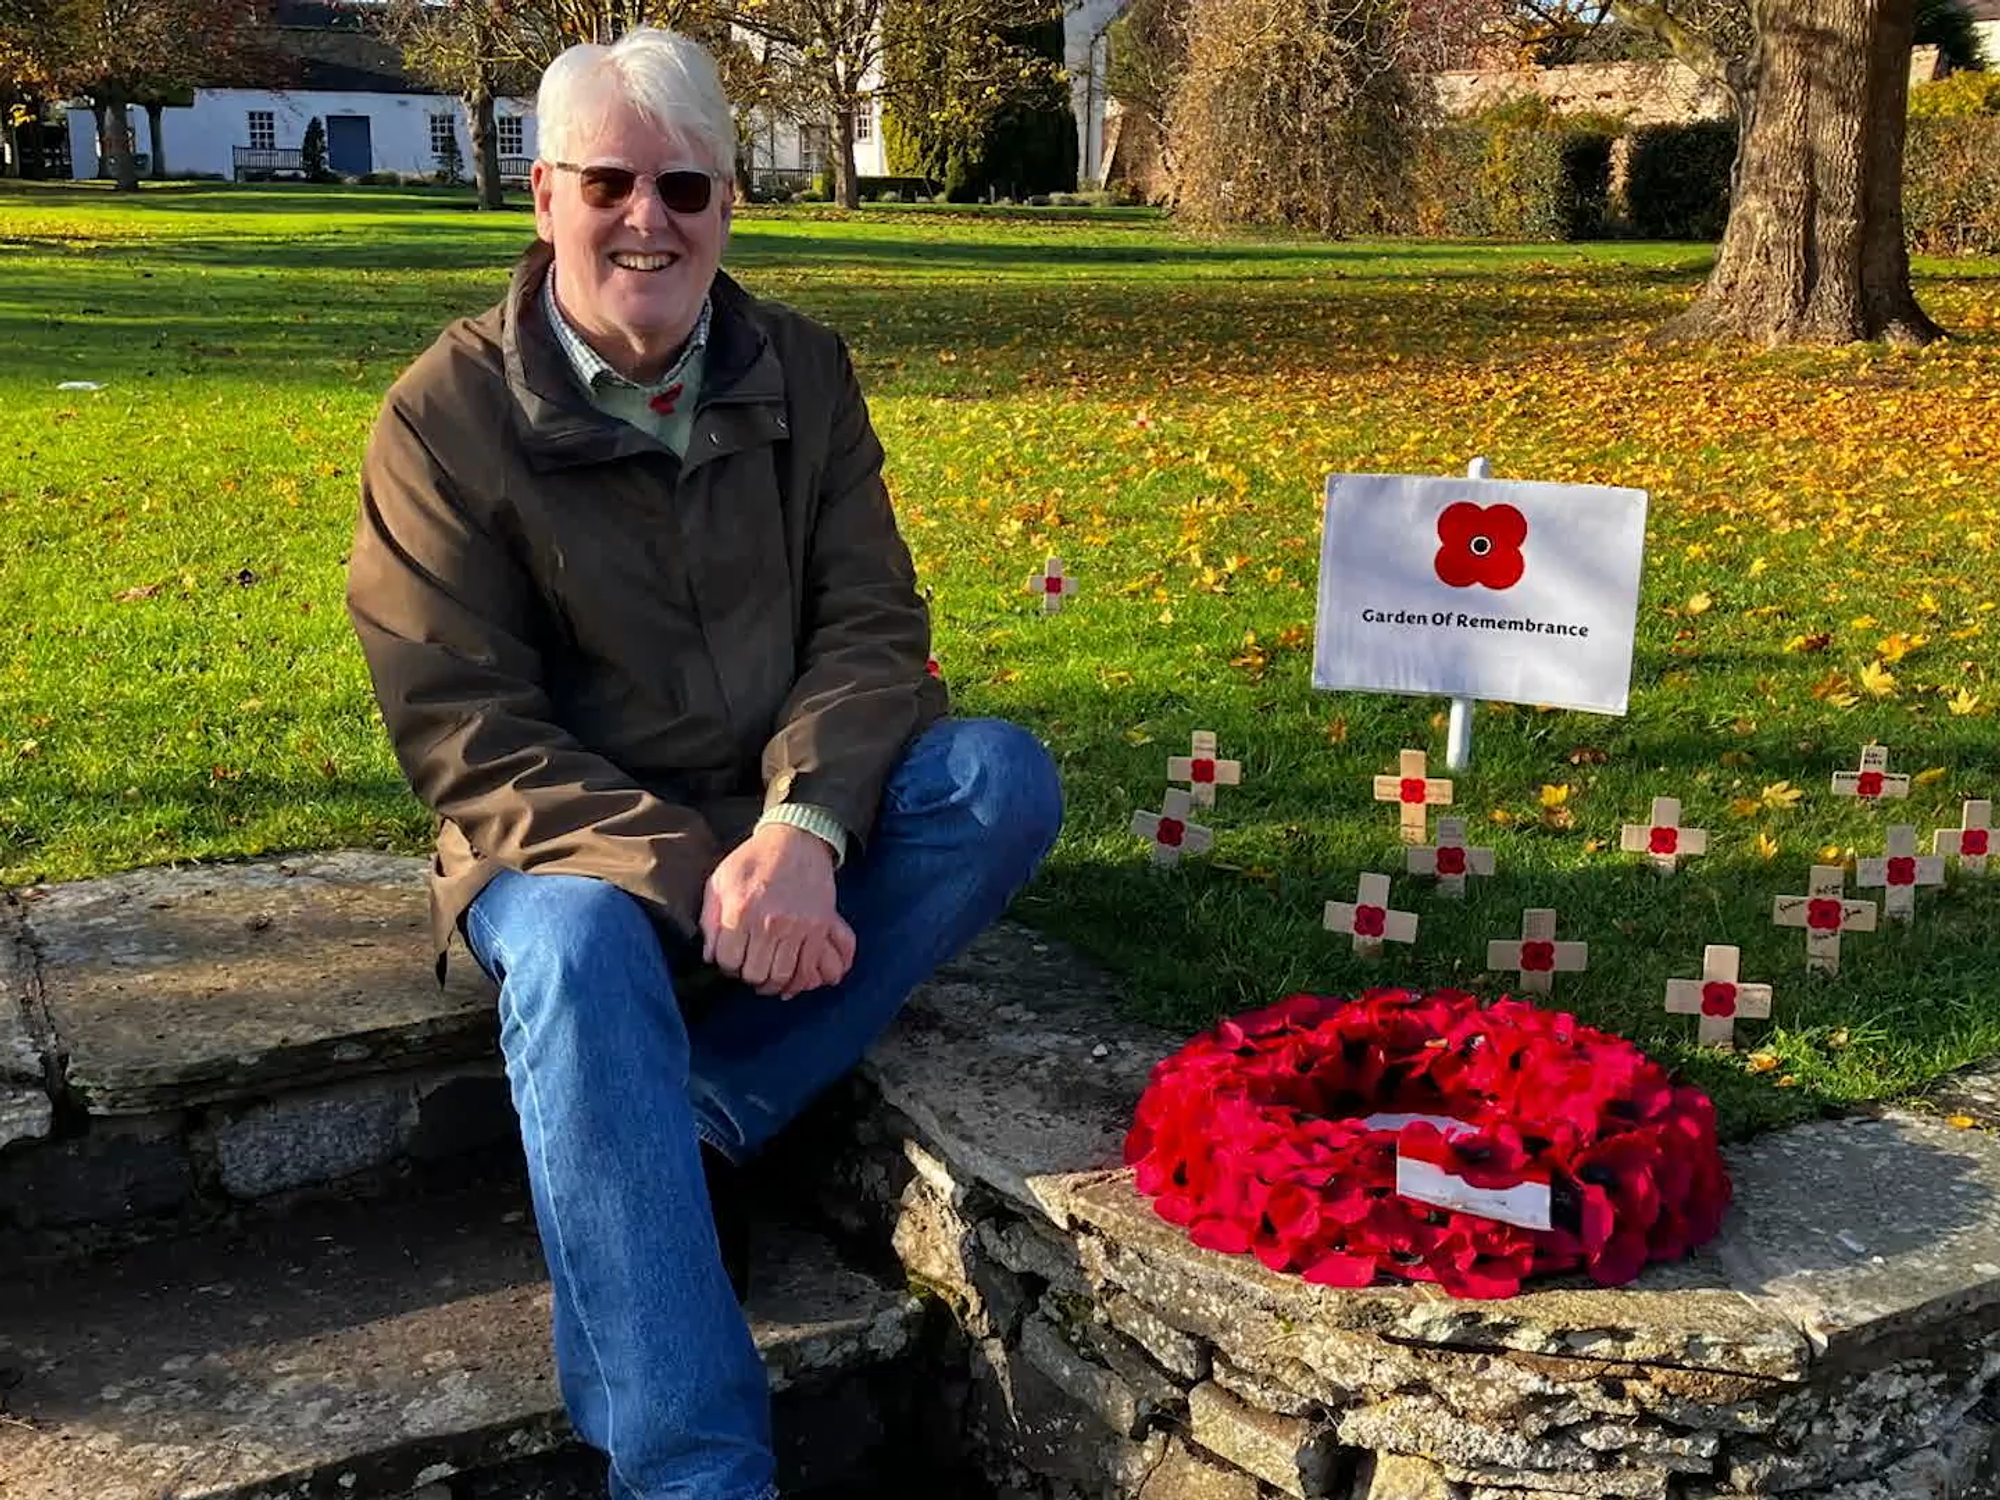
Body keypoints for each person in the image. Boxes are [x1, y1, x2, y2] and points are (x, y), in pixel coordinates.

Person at [344, 26, 1063, 1500]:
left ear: (730, 201)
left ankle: (703, 1108)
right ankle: (693, 1474)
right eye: (608, 182)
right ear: (544, 195)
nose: (647, 220)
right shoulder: (444, 414)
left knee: (998, 782)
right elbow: (464, 726)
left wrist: (802, 827)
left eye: (685, 186)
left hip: (776, 801)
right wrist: (702, 872)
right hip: (560, 840)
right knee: (579, 948)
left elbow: (872, 628)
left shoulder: (802, 368)